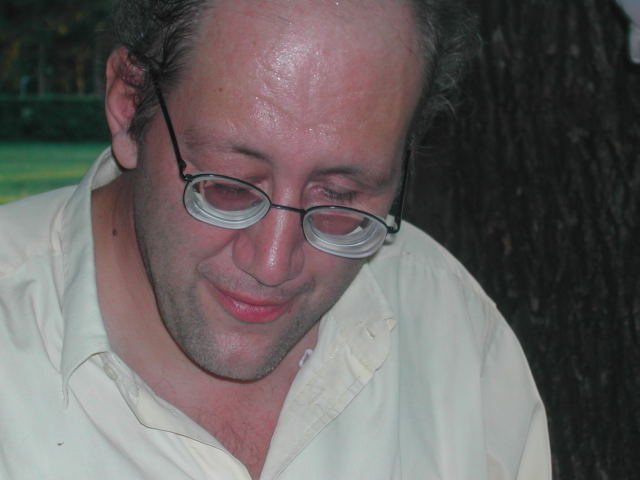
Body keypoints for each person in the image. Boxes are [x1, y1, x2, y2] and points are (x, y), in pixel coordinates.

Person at [0, 0, 551, 478]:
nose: (272, 263)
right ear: (128, 106)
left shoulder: (455, 331)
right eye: (228, 187)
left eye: (339, 196)